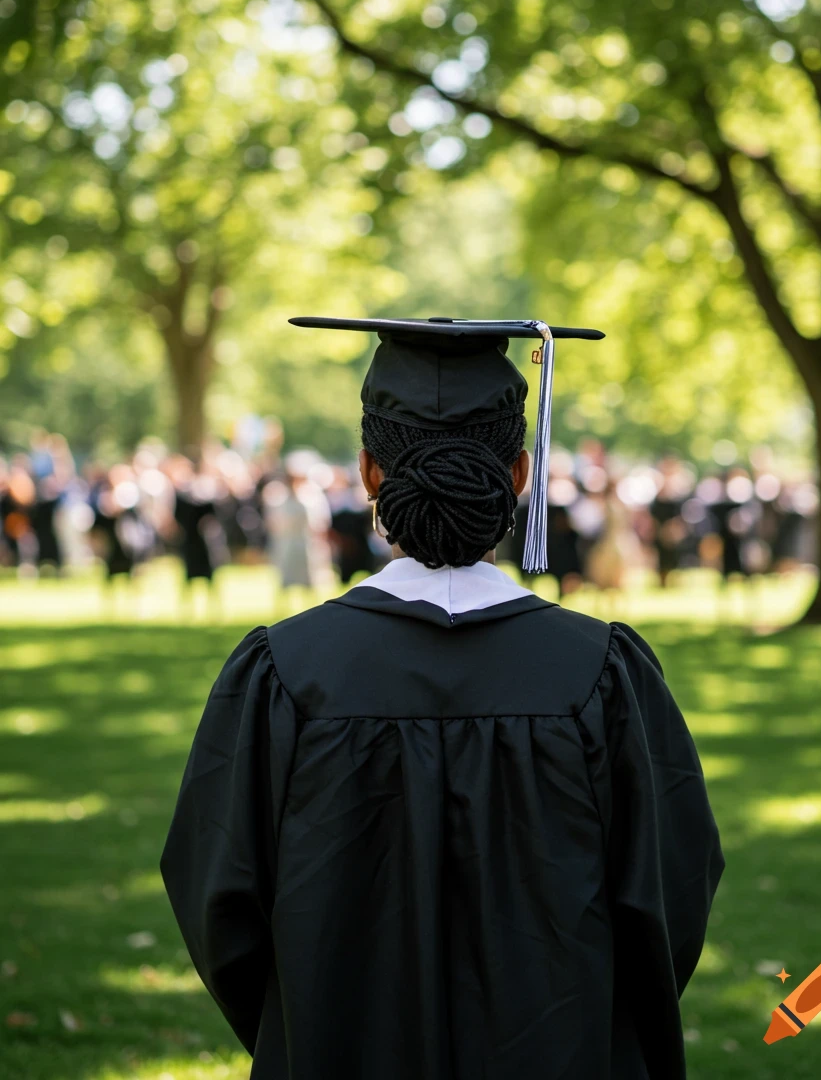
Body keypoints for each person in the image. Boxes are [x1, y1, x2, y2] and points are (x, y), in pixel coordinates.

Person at [160, 315, 724, 1080]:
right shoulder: (601, 674)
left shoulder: (285, 673)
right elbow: (668, 896)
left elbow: (219, 902)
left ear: (367, 474)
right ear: (521, 473)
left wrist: (313, 1017)